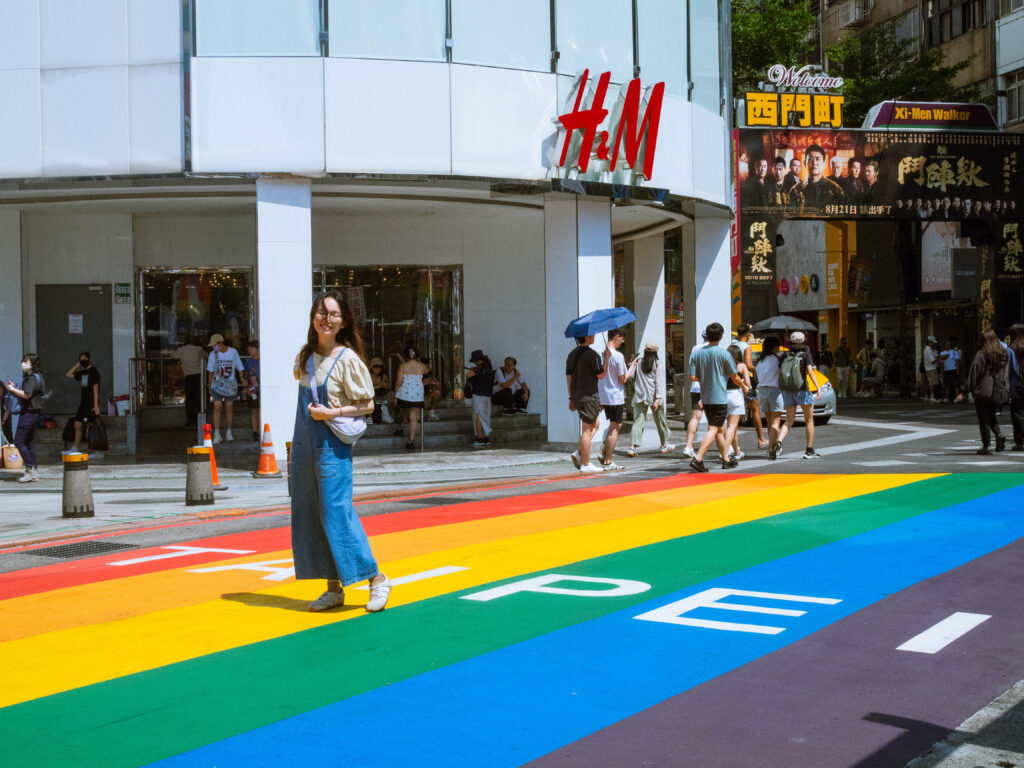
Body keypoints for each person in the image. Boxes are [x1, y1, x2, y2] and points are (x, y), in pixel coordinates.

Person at [291, 291, 390, 613]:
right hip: (305, 447)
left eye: (333, 314)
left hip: (332, 446)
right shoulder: (305, 357)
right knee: (310, 512)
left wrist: (331, 414)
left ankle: (376, 578)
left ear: (343, 320)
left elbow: (368, 406)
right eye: (321, 312)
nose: (326, 318)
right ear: (312, 318)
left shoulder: (347, 359)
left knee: (336, 512)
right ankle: (333, 588)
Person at [688, 322, 744, 472]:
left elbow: (692, 377)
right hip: (719, 397)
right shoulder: (724, 354)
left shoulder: (697, 353)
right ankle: (698, 458)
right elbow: (734, 376)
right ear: (721, 336)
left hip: (705, 396)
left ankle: (725, 458)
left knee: (718, 428)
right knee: (713, 428)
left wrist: (705, 377)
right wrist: (744, 387)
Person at [773, 331, 822, 460]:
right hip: (802, 390)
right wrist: (817, 388)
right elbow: (810, 372)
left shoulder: (784, 355)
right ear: (803, 340)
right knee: (809, 420)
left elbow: (779, 373)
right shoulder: (806, 353)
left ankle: (778, 442)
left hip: (788, 390)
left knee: (788, 420)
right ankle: (809, 450)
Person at [597, 328, 639, 471]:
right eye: (622, 339)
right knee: (615, 428)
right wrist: (632, 367)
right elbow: (622, 380)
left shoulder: (601, 354)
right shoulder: (617, 356)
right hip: (615, 395)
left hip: (604, 395)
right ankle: (608, 460)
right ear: (616, 337)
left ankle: (605, 453)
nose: (622, 342)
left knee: (614, 425)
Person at [965, 328, 1009, 455]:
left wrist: (967, 389)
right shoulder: (1003, 353)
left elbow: (974, 373)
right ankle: (999, 434)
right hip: (997, 390)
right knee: (991, 415)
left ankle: (987, 445)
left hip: (983, 391)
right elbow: (1005, 374)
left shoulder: (981, 354)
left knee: (983, 418)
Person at [566, 335, 606, 473]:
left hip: (577, 396)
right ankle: (586, 463)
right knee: (587, 430)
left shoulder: (572, 354)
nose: (594, 336)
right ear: (587, 337)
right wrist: (606, 358)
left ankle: (579, 452)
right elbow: (601, 375)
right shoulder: (592, 354)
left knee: (595, 424)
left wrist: (571, 397)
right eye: (592, 334)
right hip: (589, 395)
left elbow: (568, 378)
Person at [626, 342, 674, 457]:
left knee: (638, 421)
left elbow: (630, 376)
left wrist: (631, 364)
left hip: (640, 395)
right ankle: (664, 445)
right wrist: (658, 398)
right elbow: (659, 382)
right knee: (660, 420)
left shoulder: (638, 362)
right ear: (655, 352)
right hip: (653, 397)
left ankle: (632, 447)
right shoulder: (657, 364)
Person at [5, 354, 44, 483]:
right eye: (23, 361)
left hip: (28, 413)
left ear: (32, 363)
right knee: (29, 442)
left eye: (26, 361)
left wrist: (12, 389)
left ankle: (30, 469)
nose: (23, 363)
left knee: (19, 441)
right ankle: (34, 471)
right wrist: (14, 388)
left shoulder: (32, 378)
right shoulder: (35, 377)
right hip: (33, 412)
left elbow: (27, 395)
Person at [62, 352, 102, 456]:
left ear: (90, 359)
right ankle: (75, 448)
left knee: (91, 426)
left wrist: (96, 405)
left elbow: (95, 389)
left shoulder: (94, 372)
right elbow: (68, 374)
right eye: (81, 359)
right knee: (77, 424)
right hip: (83, 403)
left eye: (84, 359)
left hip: (91, 403)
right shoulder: (83, 372)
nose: (83, 360)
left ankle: (97, 451)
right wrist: (77, 365)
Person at [206, 333, 243, 443]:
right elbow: (211, 371)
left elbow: (239, 366)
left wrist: (242, 378)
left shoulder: (233, 352)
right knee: (217, 406)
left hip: (229, 384)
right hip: (217, 384)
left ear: (220, 343)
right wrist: (209, 385)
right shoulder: (213, 354)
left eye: (215, 345)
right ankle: (217, 433)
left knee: (229, 406)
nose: (213, 347)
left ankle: (229, 431)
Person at [735, 324, 767, 448]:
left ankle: (734, 445)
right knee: (755, 410)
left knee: (734, 414)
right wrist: (756, 370)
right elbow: (748, 365)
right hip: (746, 381)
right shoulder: (747, 347)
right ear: (748, 334)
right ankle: (761, 439)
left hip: (733, 381)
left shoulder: (732, 346)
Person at [755, 336, 785, 459]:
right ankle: (772, 448)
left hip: (762, 391)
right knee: (776, 422)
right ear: (775, 347)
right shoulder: (777, 360)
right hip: (775, 391)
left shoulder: (759, 361)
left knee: (769, 421)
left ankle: (770, 447)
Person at [395, 346, 429, 450]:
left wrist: (395, 395)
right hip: (417, 394)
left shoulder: (403, 366)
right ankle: (411, 441)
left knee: (402, 408)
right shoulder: (422, 366)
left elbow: (399, 382)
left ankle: (403, 423)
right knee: (414, 417)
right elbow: (427, 371)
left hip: (405, 394)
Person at [724, 344, 752, 461]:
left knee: (731, 426)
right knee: (732, 426)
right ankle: (725, 451)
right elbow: (748, 384)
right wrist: (745, 387)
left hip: (723, 395)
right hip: (736, 395)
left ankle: (737, 451)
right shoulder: (741, 366)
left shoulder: (723, 364)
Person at [682, 333, 709, 458]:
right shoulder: (713, 349)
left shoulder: (695, 348)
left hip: (696, 387)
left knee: (695, 417)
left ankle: (688, 446)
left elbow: (691, 366)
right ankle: (728, 448)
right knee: (716, 420)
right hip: (710, 387)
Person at [799, 145, 844, 214]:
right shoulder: (796, 190)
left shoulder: (835, 189)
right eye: (810, 159)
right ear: (805, 163)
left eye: (818, 159)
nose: (814, 163)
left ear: (824, 164)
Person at [172, 335, 206, 428]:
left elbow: (173, 356)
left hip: (188, 376)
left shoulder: (181, 350)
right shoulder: (199, 349)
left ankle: (190, 421)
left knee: (190, 399)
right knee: (199, 398)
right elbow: (205, 355)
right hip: (199, 376)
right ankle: (200, 419)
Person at [466, 350, 495, 447]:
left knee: (478, 415)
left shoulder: (481, 366)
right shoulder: (488, 366)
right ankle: (486, 437)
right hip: (487, 395)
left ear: (476, 360)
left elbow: (469, 374)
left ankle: (480, 438)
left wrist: (473, 370)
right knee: (486, 416)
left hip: (479, 394)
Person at [1007, 323, 1024, 450]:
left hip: (1016, 385)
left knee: (1017, 413)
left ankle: (1020, 441)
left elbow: (1011, 370)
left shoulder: (1012, 349)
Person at [244, 340, 261, 440]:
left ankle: (260, 430)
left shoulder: (263, 360)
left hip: (261, 389)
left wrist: (257, 378)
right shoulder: (248, 361)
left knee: (260, 410)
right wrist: (245, 382)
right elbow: (245, 374)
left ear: (258, 349)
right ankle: (255, 432)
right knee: (253, 410)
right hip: (252, 390)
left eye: (252, 348)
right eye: (248, 348)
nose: (249, 350)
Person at [921, 335, 940, 402]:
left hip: (928, 368)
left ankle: (926, 396)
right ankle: (932, 397)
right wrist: (939, 359)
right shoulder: (928, 350)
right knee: (932, 383)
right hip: (931, 368)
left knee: (928, 382)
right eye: (933, 342)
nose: (934, 344)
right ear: (930, 342)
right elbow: (932, 361)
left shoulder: (926, 349)